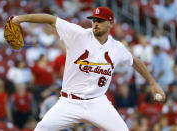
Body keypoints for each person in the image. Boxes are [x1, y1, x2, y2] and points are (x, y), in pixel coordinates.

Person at [11, 7, 165, 131]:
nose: (95, 23)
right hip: (69, 102)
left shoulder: (117, 48)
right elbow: (51, 19)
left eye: (100, 20)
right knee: (42, 128)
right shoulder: (78, 34)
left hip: (97, 102)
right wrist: (19, 19)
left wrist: (153, 83)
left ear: (110, 23)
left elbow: (134, 61)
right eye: (94, 20)